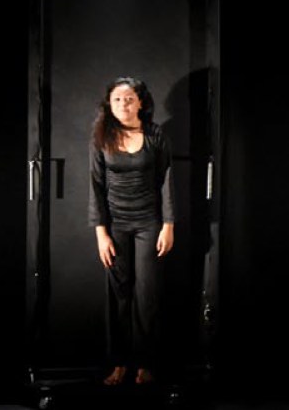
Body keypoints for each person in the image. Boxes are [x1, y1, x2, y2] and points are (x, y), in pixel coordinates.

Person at [87, 77, 174, 386]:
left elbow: (166, 180)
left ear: (140, 103)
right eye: (117, 99)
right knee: (118, 295)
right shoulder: (101, 136)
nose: (123, 103)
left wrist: (168, 225)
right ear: (109, 105)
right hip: (115, 225)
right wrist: (101, 234)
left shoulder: (155, 134)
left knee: (147, 296)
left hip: (149, 223)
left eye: (129, 98)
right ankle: (119, 363)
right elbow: (96, 186)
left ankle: (146, 364)